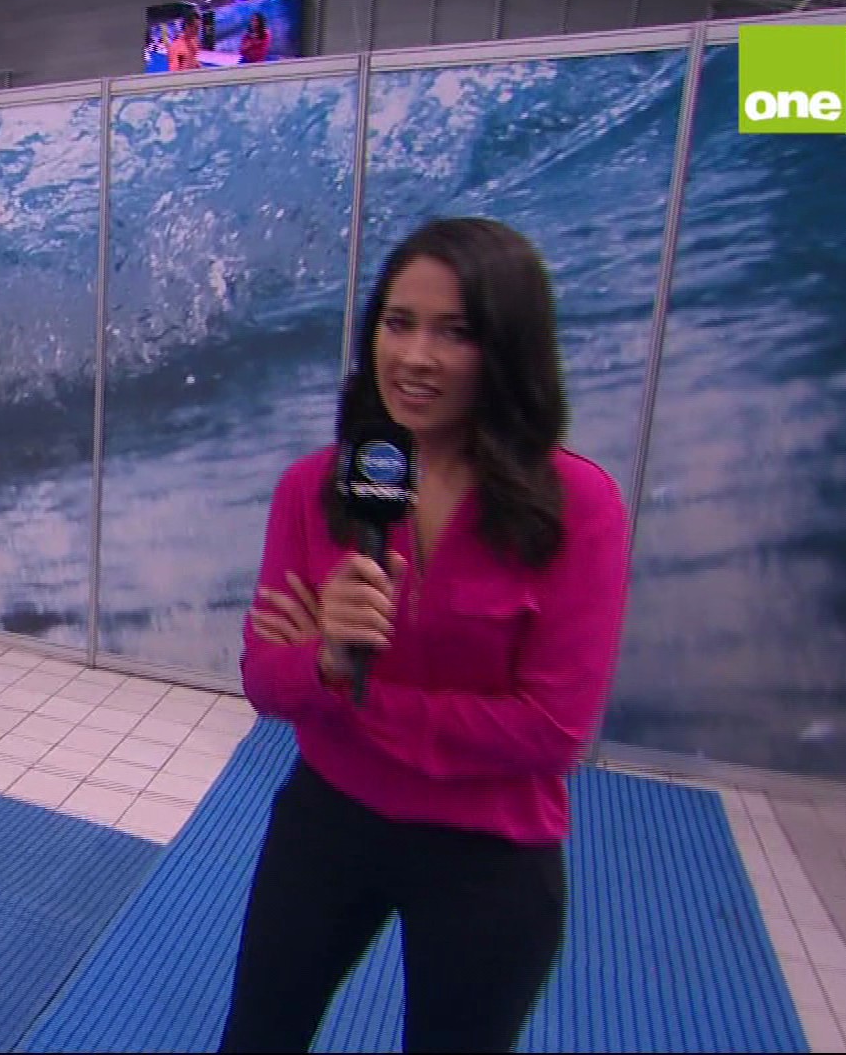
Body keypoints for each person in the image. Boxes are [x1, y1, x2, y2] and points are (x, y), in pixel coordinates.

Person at [219, 217, 632, 1054]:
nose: (415, 357)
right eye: (398, 323)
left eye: (455, 333)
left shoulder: (580, 508)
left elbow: (548, 734)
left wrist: (351, 695)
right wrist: (324, 659)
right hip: (329, 822)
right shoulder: (314, 488)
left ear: (506, 348)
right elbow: (264, 680)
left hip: (490, 853)